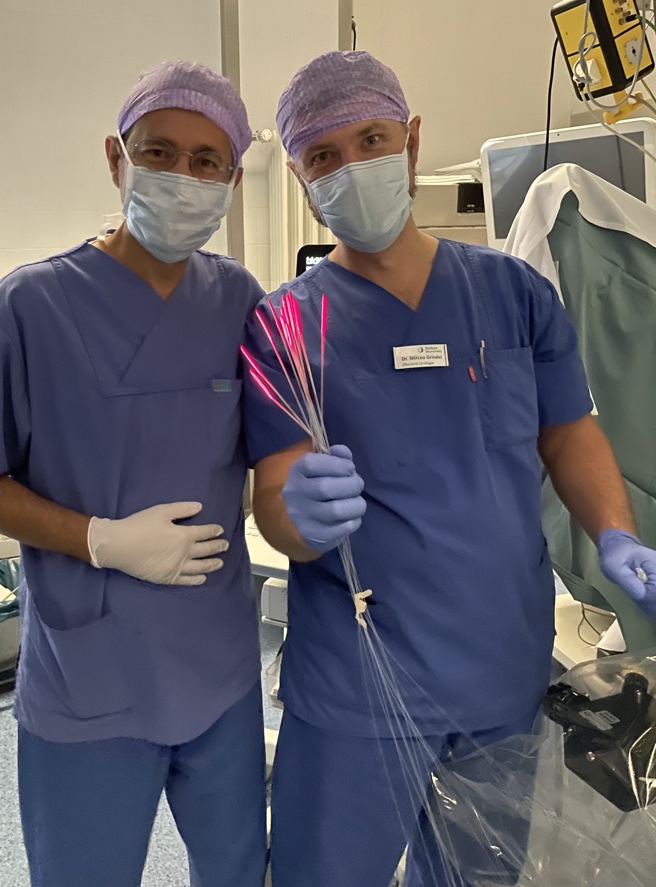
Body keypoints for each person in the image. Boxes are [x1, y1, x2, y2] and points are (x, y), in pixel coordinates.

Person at [242, 50, 656, 887]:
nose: (353, 167)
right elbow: (274, 499)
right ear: (297, 174)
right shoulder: (284, 324)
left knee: (481, 876)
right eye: (323, 155)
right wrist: (297, 515)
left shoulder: (513, 293)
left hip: (501, 666)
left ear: (413, 140)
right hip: (361, 681)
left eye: (371, 139)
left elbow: (569, 431)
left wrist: (615, 535)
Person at [0, 62, 268, 887]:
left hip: (217, 664)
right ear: (117, 159)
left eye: (207, 160)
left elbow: (279, 447)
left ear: (232, 177)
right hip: (91, 677)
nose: (183, 178)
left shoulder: (242, 302)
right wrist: (98, 540)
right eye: (160, 152)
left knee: (237, 869)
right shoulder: (32, 306)